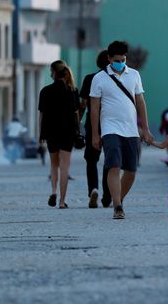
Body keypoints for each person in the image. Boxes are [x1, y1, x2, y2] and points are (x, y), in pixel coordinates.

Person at [89, 40, 154, 220]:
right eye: (117, 59)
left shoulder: (134, 75)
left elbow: (140, 101)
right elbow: (94, 108)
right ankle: (117, 206)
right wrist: (96, 134)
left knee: (131, 171)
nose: (121, 62)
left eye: (123, 59)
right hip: (110, 128)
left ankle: (118, 198)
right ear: (109, 59)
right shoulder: (99, 78)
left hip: (131, 129)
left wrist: (145, 129)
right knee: (114, 165)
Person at [38, 60, 81, 209]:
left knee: (53, 165)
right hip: (68, 132)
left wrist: (41, 134)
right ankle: (62, 201)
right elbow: (76, 115)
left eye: (51, 71)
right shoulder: (73, 91)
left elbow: (42, 116)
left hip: (51, 132)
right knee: (64, 167)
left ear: (54, 73)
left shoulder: (45, 91)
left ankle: (53, 191)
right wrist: (78, 132)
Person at [80, 50, 112, 209]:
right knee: (109, 160)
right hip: (110, 123)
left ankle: (93, 189)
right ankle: (107, 196)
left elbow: (83, 104)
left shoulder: (89, 78)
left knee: (91, 160)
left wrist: (78, 123)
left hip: (92, 124)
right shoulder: (114, 79)